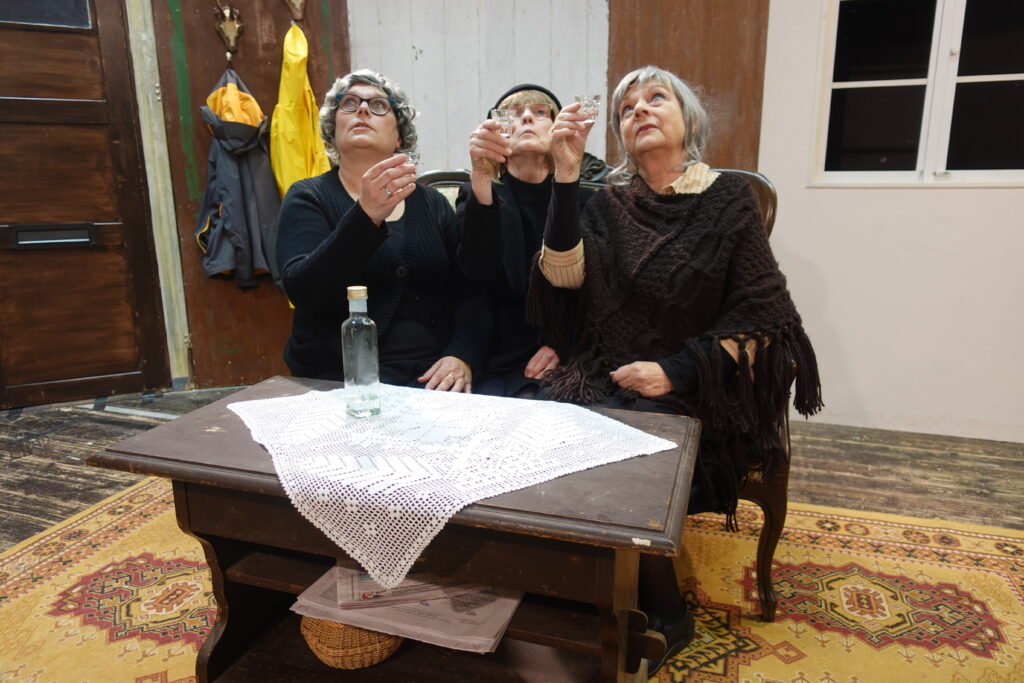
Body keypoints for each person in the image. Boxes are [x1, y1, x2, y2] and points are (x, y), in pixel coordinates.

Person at [530, 66, 823, 673]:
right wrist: (565, 173)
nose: (639, 110)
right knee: (558, 433)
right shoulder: (607, 203)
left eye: (655, 98)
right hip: (607, 373)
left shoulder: (728, 200)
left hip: (703, 387)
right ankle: (586, 585)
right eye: (626, 108)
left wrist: (677, 370)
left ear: (688, 119)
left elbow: (764, 317)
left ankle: (666, 613)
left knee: (636, 441)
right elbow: (562, 276)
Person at [276, 70, 489, 391]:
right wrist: (365, 216)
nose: (362, 109)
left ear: (399, 137)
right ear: (333, 131)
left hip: (433, 380)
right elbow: (304, 292)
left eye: (378, 105)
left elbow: (472, 293)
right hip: (340, 381)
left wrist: (462, 355)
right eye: (349, 104)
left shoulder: (431, 203)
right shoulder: (308, 197)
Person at [455, 84, 595, 397]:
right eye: (513, 114)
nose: (527, 118)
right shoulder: (478, 193)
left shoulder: (586, 201)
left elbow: (593, 292)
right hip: (496, 349)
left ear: (559, 129)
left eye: (541, 113)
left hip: (566, 346)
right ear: (496, 134)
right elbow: (476, 273)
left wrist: (562, 344)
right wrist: (480, 178)